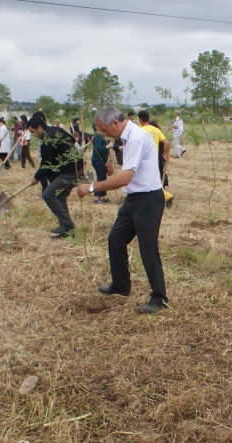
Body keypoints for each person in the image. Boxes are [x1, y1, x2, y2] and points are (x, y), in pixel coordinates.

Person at [76, 106, 169, 314]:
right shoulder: (127, 138)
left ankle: (159, 297)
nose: (103, 134)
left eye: (104, 130)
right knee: (116, 239)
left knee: (147, 249)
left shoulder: (135, 137)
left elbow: (124, 178)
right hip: (133, 199)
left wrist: (92, 187)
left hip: (147, 200)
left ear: (115, 123)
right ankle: (121, 284)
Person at [26, 117, 84, 239]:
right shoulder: (56, 130)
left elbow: (46, 163)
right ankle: (67, 232)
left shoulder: (49, 138)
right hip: (74, 167)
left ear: (39, 128)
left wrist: (36, 177)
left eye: (33, 132)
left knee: (48, 195)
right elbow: (72, 140)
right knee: (59, 196)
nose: (34, 135)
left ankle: (67, 225)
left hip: (71, 171)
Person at [138, 110, 174, 208]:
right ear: (149, 119)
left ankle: (166, 196)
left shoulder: (139, 130)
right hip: (155, 158)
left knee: (148, 180)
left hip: (144, 159)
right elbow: (167, 143)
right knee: (154, 179)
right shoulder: (156, 130)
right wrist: (164, 154)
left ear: (140, 120)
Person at [90, 123, 112, 204]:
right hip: (97, 161)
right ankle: (97, 197)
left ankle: (104, 196)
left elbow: (110, 144)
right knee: (101, 179)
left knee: (103, 178)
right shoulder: (98, 136)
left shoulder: (102, 136)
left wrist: (119, 147)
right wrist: (108, 146)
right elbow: (98, 148)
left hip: (101, 161)